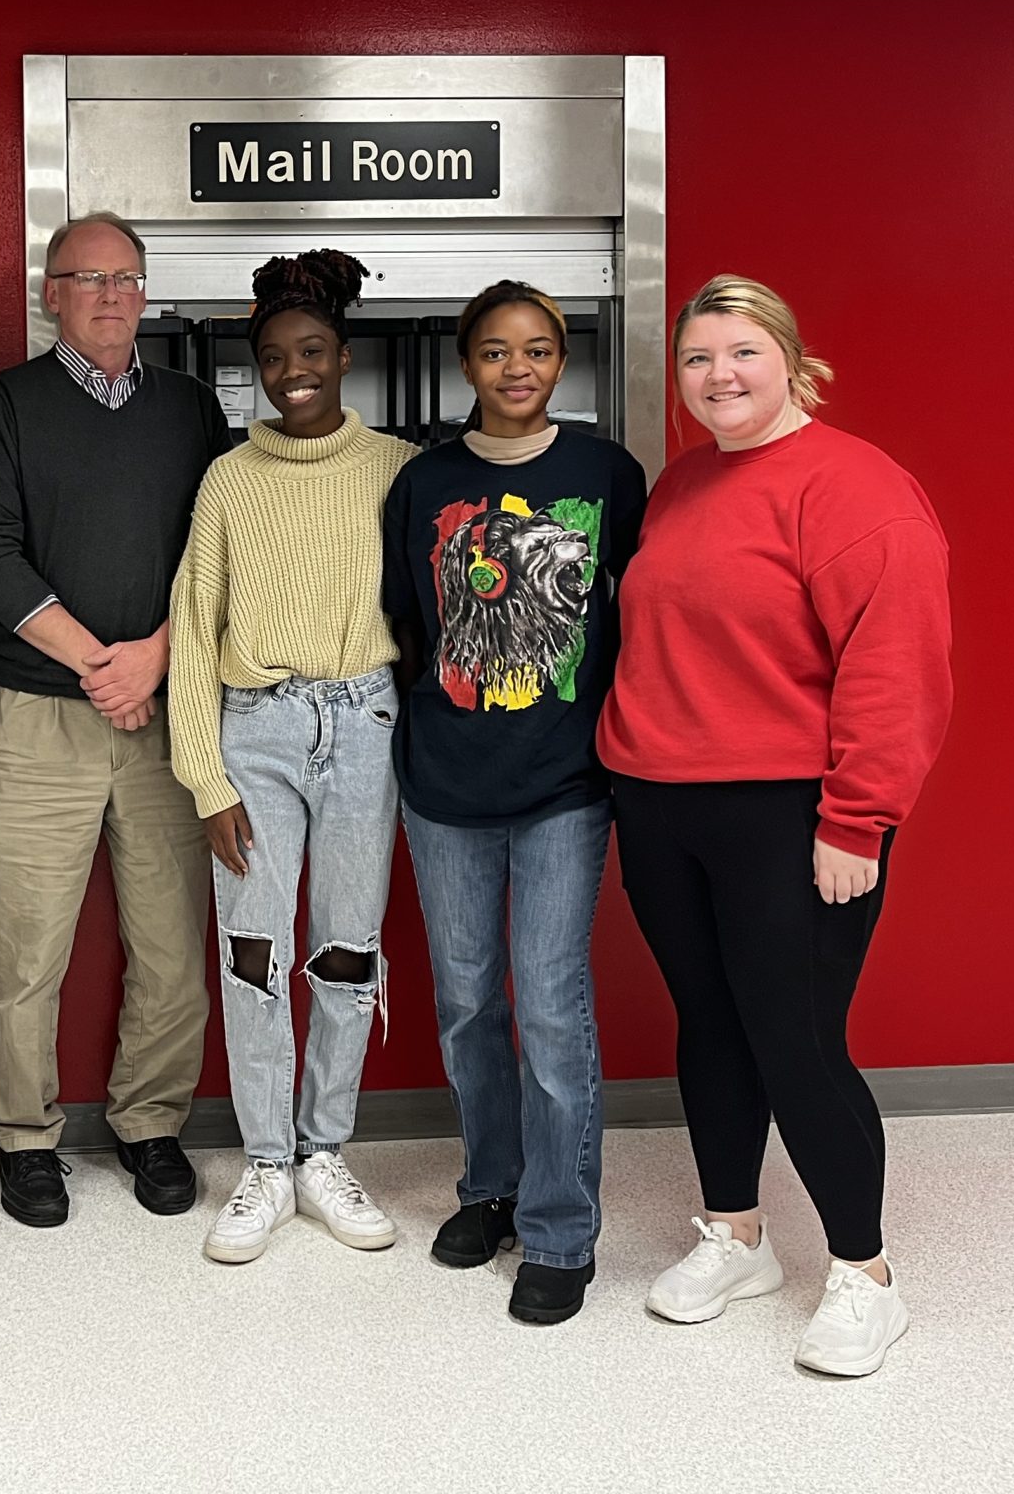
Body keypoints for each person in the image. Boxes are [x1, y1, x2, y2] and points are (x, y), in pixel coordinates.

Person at [601, 274, 950, 1378]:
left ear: (789, 360)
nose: (717, 378)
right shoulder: (684, 484)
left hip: (788, 812)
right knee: (708, 1023)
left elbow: (896, 670)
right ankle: (736, 1234)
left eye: (740, 354)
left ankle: (864, 1274)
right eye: (698, 360)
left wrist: (857, 820)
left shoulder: (856, 488)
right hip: (660, 803)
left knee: (795, 1040)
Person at [0, 212, 234, 1227]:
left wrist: (155, 658)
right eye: (88, 278)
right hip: (33, 717)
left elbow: (216, 549)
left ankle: (150, 1123)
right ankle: (25, 1138)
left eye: (126, 278)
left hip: (167, 714)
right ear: (50, 294)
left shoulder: (192, 409)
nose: (111, 296)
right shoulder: (7, 405)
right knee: (26, 946)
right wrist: (98, 664)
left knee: (170, 941)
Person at [380, 280, 645, 1327]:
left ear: (563, 361)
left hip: (564, 785)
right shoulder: (424, 484)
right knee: (464, 1002)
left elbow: (646, 614)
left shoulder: (604, 473)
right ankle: (488, 1187)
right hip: (444, 782)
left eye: (538, 349)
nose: (519, 368)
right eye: (497, 352)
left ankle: (559, 1227)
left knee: (547, 999)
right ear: (467, 365)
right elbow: (409, 621)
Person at [168, 251, 414, 1264]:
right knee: (253, 947)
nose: (291, 372)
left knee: (347, 948)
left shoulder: (399, 469)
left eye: (309, 352)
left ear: (342, 356)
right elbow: (192, 628)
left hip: (366, 724)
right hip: (256, 728)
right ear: (256, 369)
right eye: (273, 358)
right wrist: (205, 775)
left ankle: (324, 1152)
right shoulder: (228, 479)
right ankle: (265, 1160)